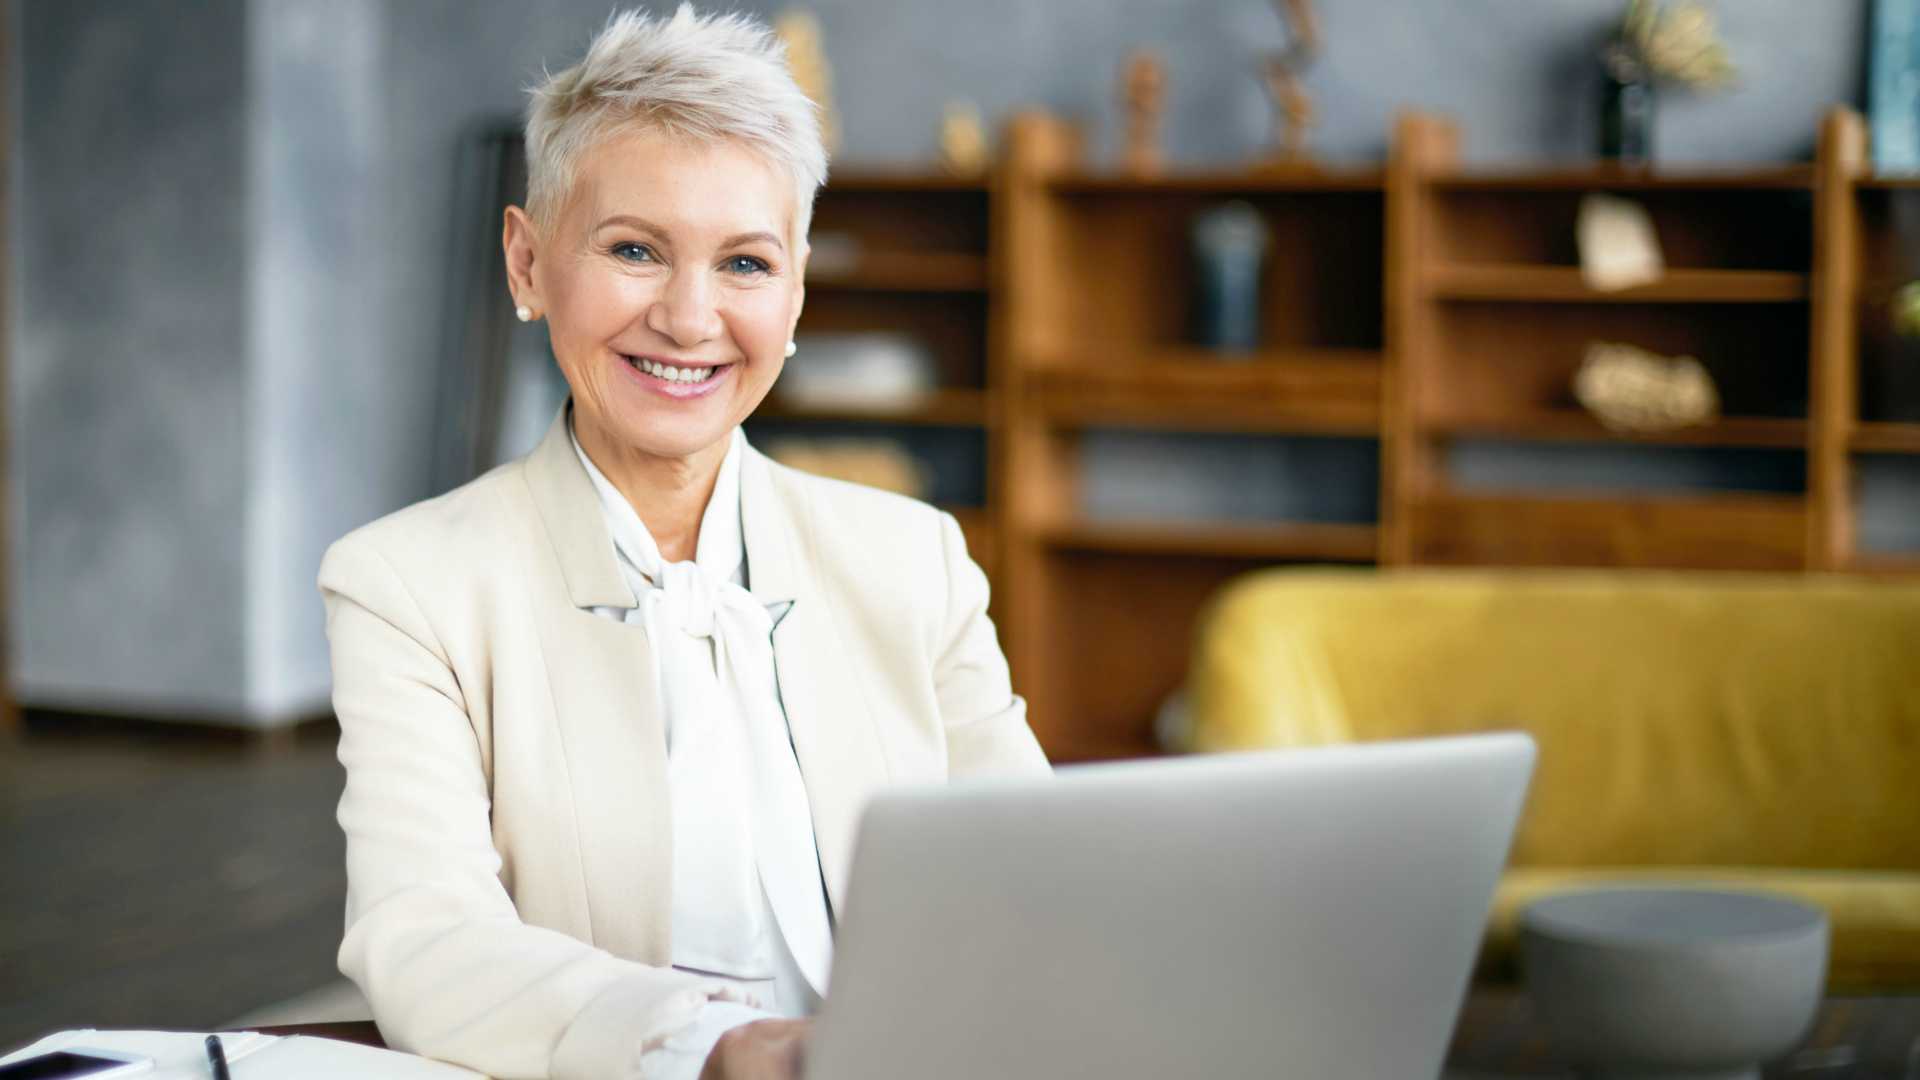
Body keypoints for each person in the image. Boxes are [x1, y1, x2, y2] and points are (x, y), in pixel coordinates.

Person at [316, 7, 1049, 1079]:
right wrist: (720, 1050)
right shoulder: (406, 584)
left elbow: (1042, 878)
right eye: (633, 251)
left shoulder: (915, 558)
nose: (691, 318)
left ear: (796, 289)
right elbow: (425, 939)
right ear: (527, 263)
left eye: (746, 264)